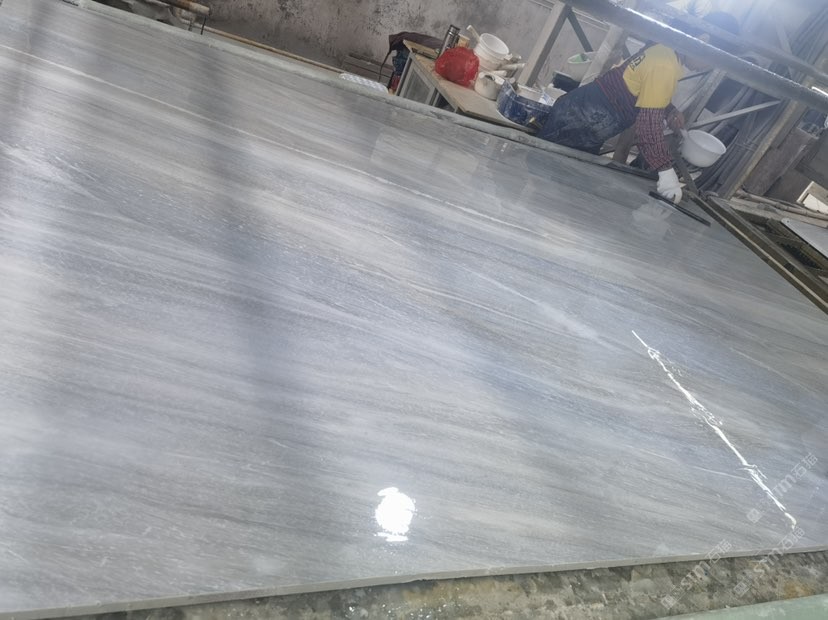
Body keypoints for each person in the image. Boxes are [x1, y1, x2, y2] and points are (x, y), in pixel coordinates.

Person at [537, 12, 740, 203]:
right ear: (703, 41)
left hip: (581, 117)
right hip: (577, 123)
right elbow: (647, 128)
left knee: (558, 186)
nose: (711, 66)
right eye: (714, 59)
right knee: (545, 184)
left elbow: (639, 87)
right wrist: (666, 172)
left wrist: (669, 110)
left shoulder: (664, 51)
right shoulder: (666, 65)